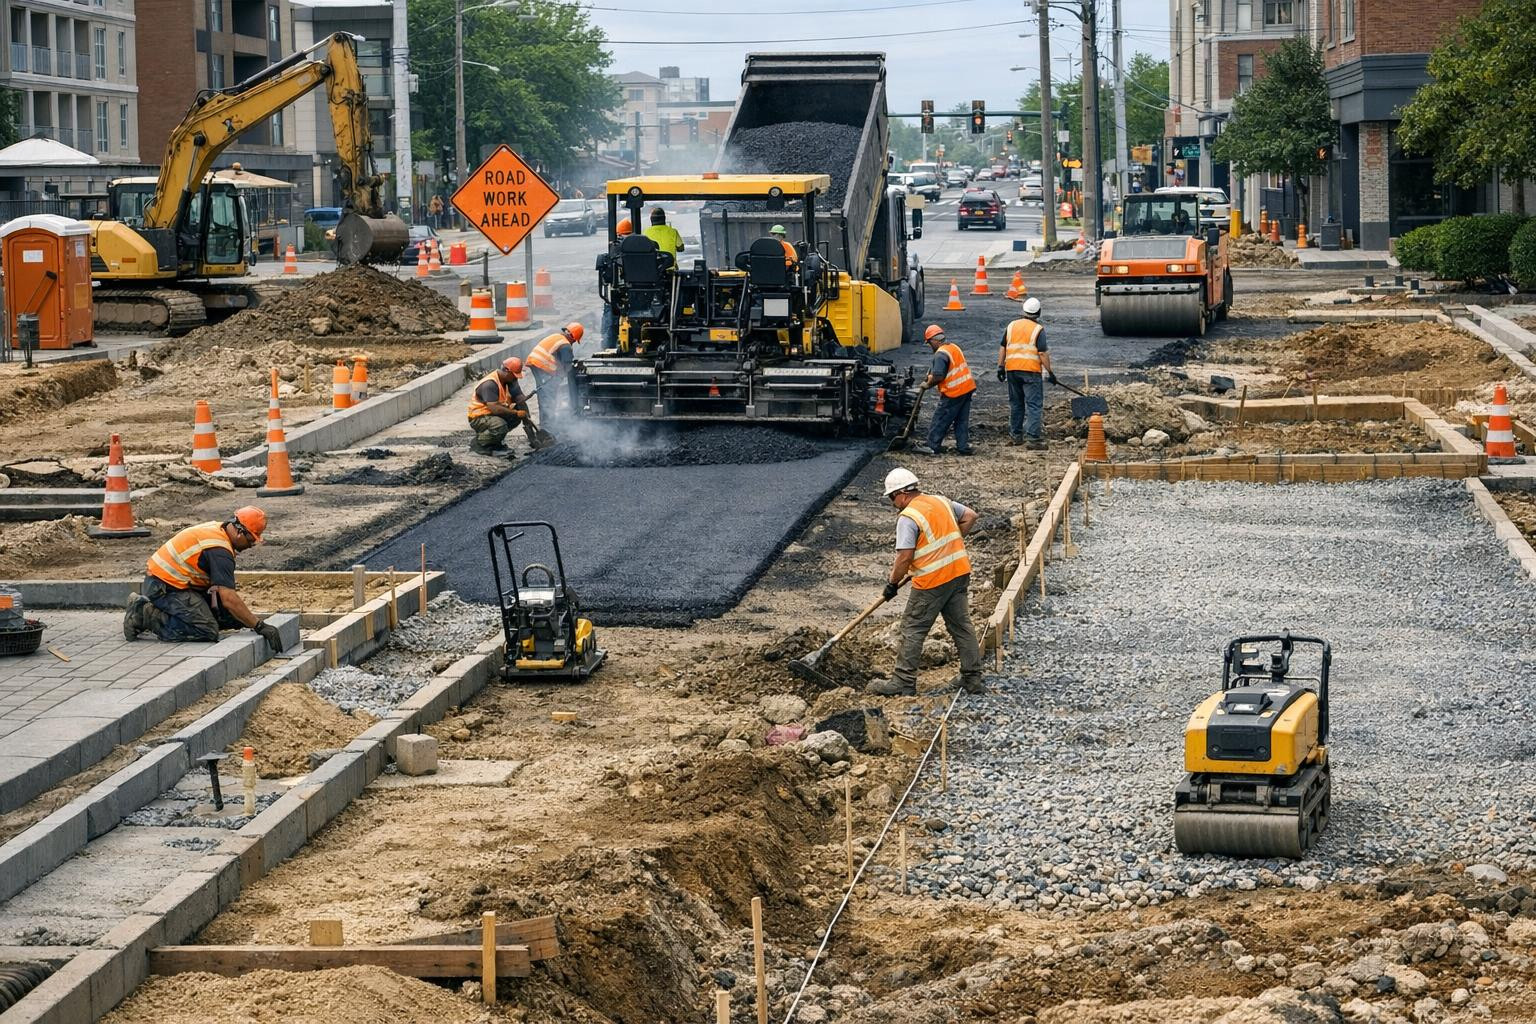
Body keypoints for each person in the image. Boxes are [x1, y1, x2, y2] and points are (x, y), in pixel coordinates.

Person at [867, 469, 984, 696]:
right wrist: (950, 547)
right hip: (959, 572)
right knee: (961, 626)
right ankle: (972, 679)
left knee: (912, 628)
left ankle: (903, 682)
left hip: (933, 580)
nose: (893, 503)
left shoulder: (908, 517)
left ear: (901, 493)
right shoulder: (940, 500)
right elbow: (970, 516)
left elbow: (904, 557)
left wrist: (892, 583)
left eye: (892, 497)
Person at [122, 507, 283, 651]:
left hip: (174, 582)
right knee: (206, 630)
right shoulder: (220, 552)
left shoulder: (219, 530)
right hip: (164, 587)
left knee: (230, 617)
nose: (250, 545)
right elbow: (228, 598)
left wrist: (247, 619)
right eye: (251, 540)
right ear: (240, 531)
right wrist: (259, 625)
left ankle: (166, 613)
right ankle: (144, 613)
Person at [996, 297, 1055, 449]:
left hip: (1012, 370)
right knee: (1034, 405)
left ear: (1023, 311)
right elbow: (1042, 353)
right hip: (1030, 372)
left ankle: (1016, 436)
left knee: (1016, 404)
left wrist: (1000, 366)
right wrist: (1050, 372)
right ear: (1038, 313)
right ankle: (1033, 439)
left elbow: (1003, 347)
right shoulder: (1038, 330)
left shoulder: (1011, 325)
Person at [912, 324, 975, 456]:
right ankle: (963, 446)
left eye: (929, 343)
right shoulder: (954, 347)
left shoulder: (940, 354)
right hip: (967, 388)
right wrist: (932, 376)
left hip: (954, 392)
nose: (930, 346)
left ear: (935, 340)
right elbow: (951, 369)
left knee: (940, 418)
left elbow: (938, 376)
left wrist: (927, 384)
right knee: (961, 420)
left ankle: (932, 446)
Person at [466, 357, 533, 455]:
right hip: (479, 417)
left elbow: (519, 399)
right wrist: (516, 412)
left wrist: (527, 419)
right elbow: (495, 409)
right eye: (514, 375)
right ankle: (479, 443)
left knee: (515, 417)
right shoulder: (489, 384)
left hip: (492, 415)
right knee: (500, 425)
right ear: (506, 370)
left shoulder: (510, 380)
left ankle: (495, 442)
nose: (515, 378)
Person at [526, 322, 583, 423]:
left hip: (535, 362)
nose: (573, 343)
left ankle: (545, 423)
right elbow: (567, 366)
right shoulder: (565, 345)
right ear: (573, 338)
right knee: (548, 393)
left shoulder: (557, 337)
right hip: (541, 365)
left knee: (544, 392)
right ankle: (548, 426)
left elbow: (558, 360)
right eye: (574, 341)